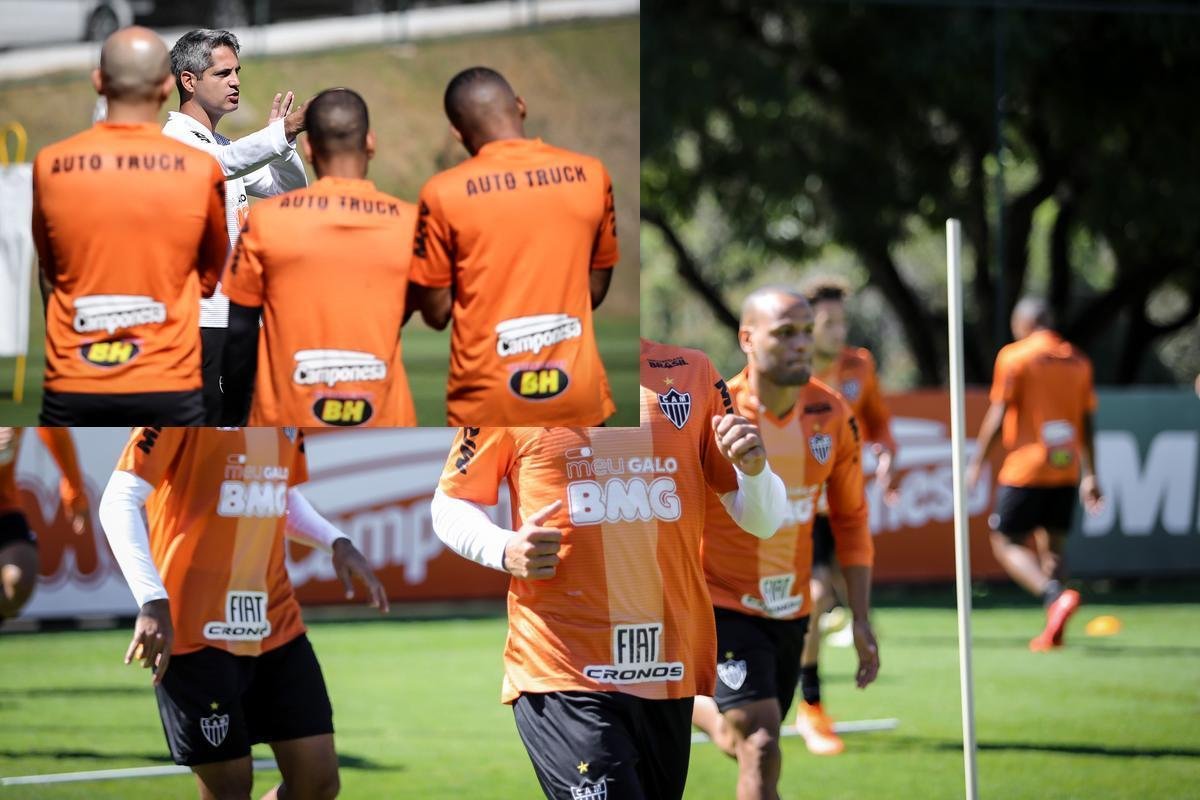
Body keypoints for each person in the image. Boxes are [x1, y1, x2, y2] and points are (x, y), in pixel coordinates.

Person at [430, 338, 789, 800]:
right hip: (562, 664)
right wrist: (502, 548)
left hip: (665, 666)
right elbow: (451, 500)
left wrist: (756, 472)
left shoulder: (692, 372)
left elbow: (760, 520)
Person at [98, 427, 388, 799]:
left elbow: (278, 493)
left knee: (318, 783)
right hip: (196, 631)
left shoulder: (283, 407)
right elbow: (119, 499)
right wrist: (152, 599)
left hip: (275, 623)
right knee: (230, 792)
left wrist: (335, 541)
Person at [691, 287, 880, 800]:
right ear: (747, 339)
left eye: (805, 331)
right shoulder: (715, 412)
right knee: (760, 741)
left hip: (790, 610)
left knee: (744, 738)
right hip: (720, 603)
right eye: (784, 333)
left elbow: (851, 519)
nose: (801, 343)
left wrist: (861, 618)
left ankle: (693, 707)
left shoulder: (832, 413)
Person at [33, 26, 228, 425]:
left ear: (98, 82)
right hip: (168, 380)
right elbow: (209, 278)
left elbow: (51, 274)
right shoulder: (200, 169)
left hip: (76, 378)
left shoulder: (51, 165)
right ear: (164, 87)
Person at [407, 66, 619, 427]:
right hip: (577, 401)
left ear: (457, 133)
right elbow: (594, 291)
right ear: (520, 105)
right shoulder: (591, 174)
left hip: (487, 407)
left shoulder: (442, 193)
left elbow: (436, 313)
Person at [220, 88, 417, 427]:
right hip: (383, 417)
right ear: (370, 142)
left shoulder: (266, 222)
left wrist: (236, 404)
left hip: (284, 418)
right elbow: (437, 309)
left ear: (309, 150)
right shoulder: (410, 221)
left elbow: (240, 328)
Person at [164, 28, 310, 423]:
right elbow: (218, 166)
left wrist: (285, 146)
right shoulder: (175, 142)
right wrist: (282, 132)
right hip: (202, 322)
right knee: (212, 437)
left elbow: (289, 192)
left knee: (250, 434)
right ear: (189, 81)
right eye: (223, 73)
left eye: (237, 72)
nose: (236, 81)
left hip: (240, 320)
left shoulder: (223, 145)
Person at [793, 275, 898, 754]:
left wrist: (888, 455)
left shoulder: (860, 366)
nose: (837, 331)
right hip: (801, 510)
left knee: (841, 599)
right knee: (815, 597)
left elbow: (877, 421)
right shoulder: (785, 373)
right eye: (827, 322)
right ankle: (811, 706)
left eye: (841, 321)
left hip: (844, 505)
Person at [967, 297, 1103, 651]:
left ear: (1022, 325)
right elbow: (1087, 421)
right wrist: (1092, 473)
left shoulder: (1015, 356)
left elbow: (1000, 413)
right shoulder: (1078, 360)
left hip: (1027, 467)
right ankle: (1053, 628)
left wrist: (978, 460)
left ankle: (1053, 594)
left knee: (1006, 541)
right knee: (1053, 548)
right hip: (1065, 468)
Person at [0, 428, 89, 618]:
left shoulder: (17, 398)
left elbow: (52, 424)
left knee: (20, 582)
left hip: (4, 503)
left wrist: (74, 492)